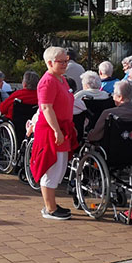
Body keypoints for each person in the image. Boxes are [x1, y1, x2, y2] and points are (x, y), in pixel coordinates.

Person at [29, 46, 77, 221]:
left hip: (61, 127)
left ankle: (52, 204)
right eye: (61, 61)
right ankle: (49, 208)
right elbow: (46, 108)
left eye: (66, 60)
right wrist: (56, 130)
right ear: (50, 63)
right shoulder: (48, 81)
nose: (65, 64)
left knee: (60, 165)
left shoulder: (61, 79)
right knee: (52, 166)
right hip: (51, 129)